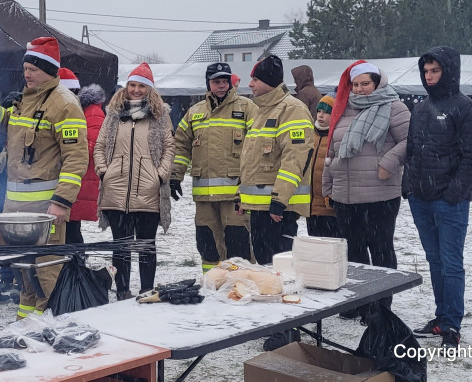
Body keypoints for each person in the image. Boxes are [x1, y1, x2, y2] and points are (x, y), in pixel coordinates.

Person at [0, 37, 89, 318]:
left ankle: (50, 327)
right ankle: (26, 325)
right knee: (22, 271)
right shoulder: (25, 99)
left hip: (46, 210)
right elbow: (9, 123)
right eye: (26, 68)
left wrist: (61, 202)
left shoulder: (65, 105)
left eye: (33, 69)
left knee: (46, 271)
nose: (27, 74)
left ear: (49, 69)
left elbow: (76, 158)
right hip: (15, 207)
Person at [403, 46, 472, 348]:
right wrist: (408, 185)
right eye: (426, 71)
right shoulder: (421, 108)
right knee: (434, 261)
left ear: (448, 71)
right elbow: (411, 151)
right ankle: (440, 318)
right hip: (421, 198)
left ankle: (452, 324)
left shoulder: (465, 108)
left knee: (451, 263)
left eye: (435, 70)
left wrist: (454, 194)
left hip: (449, 201)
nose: (429, 76)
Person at [323, 61, 410, 318]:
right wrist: (328, 184)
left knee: (381, 250)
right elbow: (333, 150)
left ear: (377, 83)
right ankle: (360, 302)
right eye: (356, 85)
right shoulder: (344, 108)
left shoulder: (394, 107)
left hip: (379, 194)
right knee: (355, 252)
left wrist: (388, 162)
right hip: (345, 196)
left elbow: (411, 139)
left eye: (365, 84)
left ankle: (381, 307)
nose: (360, 90)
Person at [239, 55, 314, 351]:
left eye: (254, 79)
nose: (250, 83)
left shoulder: (292, 110)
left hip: (278, 209)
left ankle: (289, 327)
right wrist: (240, 197)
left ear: (268, 81)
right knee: (267, 266)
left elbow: (296, 158)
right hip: (259, 208)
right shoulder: (260, 111)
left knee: (282, 268)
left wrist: (278, 202)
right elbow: (251, 162)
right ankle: (275, 321)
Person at [94, 62, 174, 300]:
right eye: (132, 85)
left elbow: (170, 147)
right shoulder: (113, 114)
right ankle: (122, 292)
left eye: (141, 86)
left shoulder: (159, 116)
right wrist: (103, 171)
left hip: (148, 192)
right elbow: (99, 146)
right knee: (121, 247)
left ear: (149, 89)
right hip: (115, 192)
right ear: (126, 86)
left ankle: (147, 291)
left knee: (146, 246)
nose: (136, 90)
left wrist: (159, 174)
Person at [172, 63, 257, 271]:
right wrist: (175, 175)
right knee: (207, 244)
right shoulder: (195, 112)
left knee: (239, 246)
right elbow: (180, 145)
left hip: (236, 195)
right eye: (216, 81)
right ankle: (211, 285)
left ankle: (240, 285)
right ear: (208, 84)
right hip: (204, 198)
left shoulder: (247, 108)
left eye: (225, 81)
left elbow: (257, 147)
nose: (221, 86)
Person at [66, 68, 106, 244]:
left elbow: (92, 146)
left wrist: (65, 154)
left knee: (70, 228)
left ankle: (76, 267)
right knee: (68, 228)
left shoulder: (91, 111)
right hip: (74, 177)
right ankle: (75, 265)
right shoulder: (80, 109)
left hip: (78, 177)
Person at [307, 95, 339, 239]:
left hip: (329, 206)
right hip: (311, 206)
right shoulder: (310, 135)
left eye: (326, 112)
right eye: (319, 111)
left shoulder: (336, 137)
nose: (321, 115)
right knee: (314, 247)